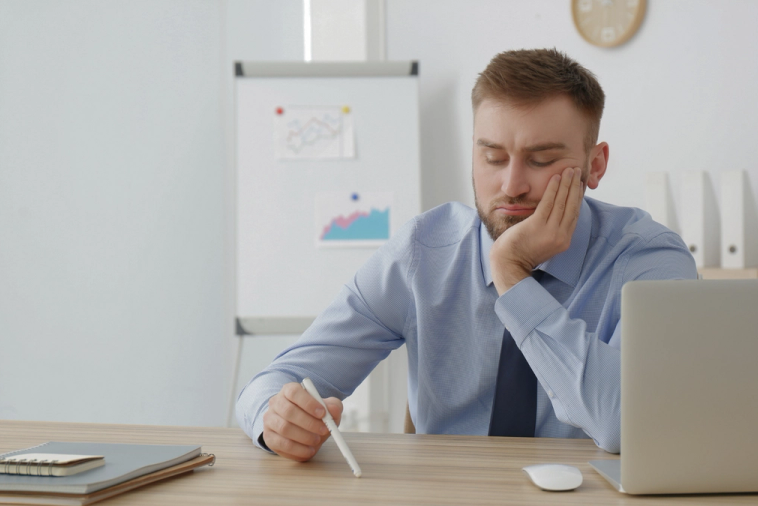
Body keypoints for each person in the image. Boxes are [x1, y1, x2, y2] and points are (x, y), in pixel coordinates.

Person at [236, 48, 696, 461]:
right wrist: (275, 420)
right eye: (493, 158)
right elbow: (274, 381)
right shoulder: (423, 252)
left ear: (595, 164)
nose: (512, 185)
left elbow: (629, 424)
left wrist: (511, 275)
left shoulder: (648, 258)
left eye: (541, 160)